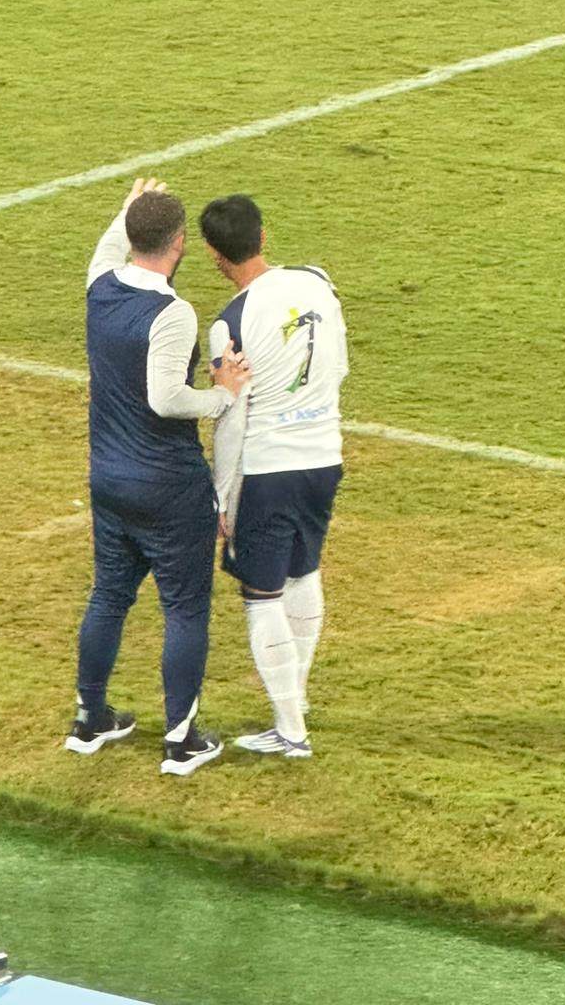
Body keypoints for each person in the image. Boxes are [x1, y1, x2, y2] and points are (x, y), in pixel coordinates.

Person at [68, 178, 251, 777]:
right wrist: (221, 396)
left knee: (109, 595)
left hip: (109, 479)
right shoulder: (172, 313)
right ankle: (180, 740)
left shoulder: (100, 285)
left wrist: (127, 208)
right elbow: (166, 398)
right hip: (167, 486)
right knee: (185, 609)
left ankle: (90, 719)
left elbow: (106, 246)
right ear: (177, 245)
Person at [201, 193, 348, 760]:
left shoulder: (228, 325)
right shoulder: (317, 280)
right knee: (304, 571)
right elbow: (339, 362)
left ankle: (290, 732)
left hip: (268, 467)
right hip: (324, 454)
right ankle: (297, 699)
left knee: (262, 595)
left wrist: (221, 497)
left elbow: (231, 419)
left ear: (215, 256)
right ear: (263, 237)